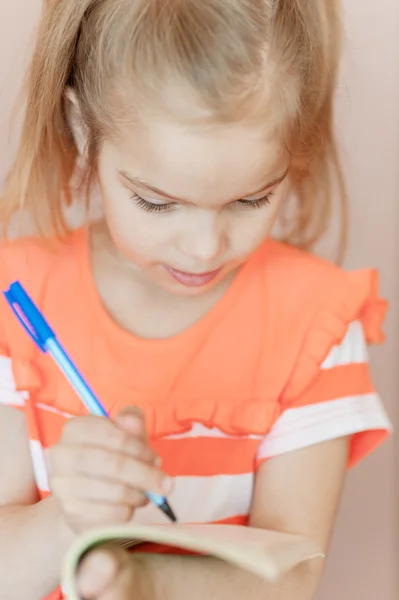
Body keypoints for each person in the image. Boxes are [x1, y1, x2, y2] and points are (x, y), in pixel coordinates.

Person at [0, 1, 392, 599]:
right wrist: (70, 519)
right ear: (84, 132)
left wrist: (140, 581)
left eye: (251, 199)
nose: (205, 247)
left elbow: (291, 577)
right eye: (158, 203)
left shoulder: (313, 325)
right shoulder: (17, 306)